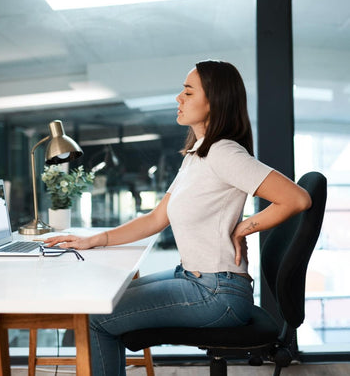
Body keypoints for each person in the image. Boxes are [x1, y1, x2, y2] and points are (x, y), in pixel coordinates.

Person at [44, 60, 312, 376]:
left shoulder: (225, 153)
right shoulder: (198, 153)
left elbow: (297, 198)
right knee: (106, 297)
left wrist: (243, 229)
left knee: (95, 317)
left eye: (188, 91)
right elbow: (157, 218)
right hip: (195, 278)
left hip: (216, 292)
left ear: (215, 101)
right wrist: (93, 240)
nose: (178, 98)